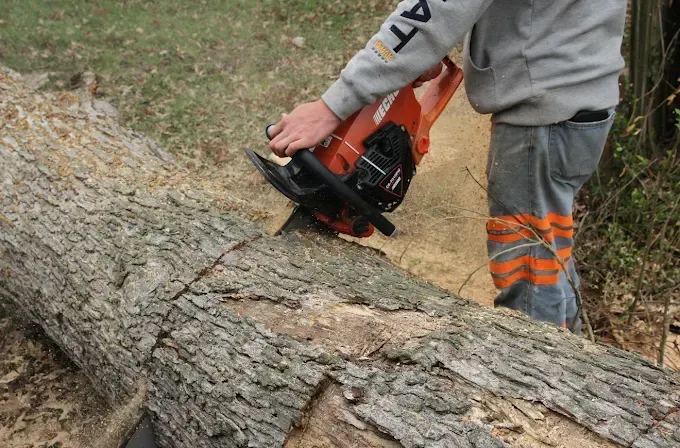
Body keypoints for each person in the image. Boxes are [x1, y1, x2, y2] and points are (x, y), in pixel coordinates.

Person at [267, 0, 626, 333]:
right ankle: (579, 359)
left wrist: (332, 106)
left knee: (527, 269)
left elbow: (437, 7)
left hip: (544, 115)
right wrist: (425, 52)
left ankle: (538, 390)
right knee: (548, 251)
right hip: (582, 103)